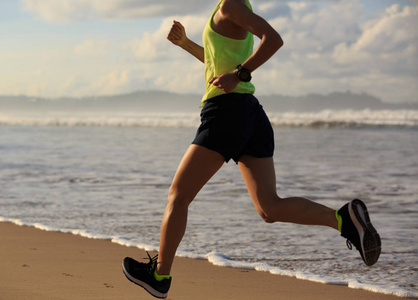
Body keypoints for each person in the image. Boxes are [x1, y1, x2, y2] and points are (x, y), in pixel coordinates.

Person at [122, 0, 381, 298]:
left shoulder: (231, 4)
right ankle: (342, 219)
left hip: (226, 113)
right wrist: (186, 44)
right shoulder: (231, 8)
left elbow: (274, 40)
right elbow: (216, 64)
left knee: (178, 196)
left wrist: (241, 73)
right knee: (269, 207)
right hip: (250, 115)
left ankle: (159, 276)